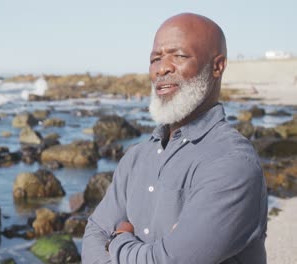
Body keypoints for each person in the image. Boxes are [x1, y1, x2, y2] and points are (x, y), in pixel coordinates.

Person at [82, 13, 267, 264]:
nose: (162, 67)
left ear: (217, 66)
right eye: (155, 59)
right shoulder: (137, 157)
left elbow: (171, 260)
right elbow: (94, 234)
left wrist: (118, 241)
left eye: (179, 56)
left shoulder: (232, 162)